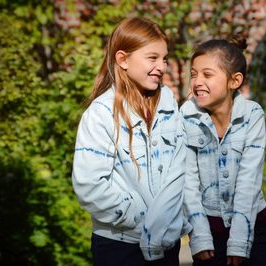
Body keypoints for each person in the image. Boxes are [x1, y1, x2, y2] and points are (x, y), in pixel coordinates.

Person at [72, 17, 191, 266]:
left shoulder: (170, 107)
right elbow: (89, 185)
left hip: (166, 246)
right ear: (123, 59)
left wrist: (169, 221)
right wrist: (144, 219)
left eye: (165, 58)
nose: (162, 66)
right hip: (119, 246)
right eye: (152, 57)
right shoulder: (101, 114)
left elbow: (181, 171)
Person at [180, 36, 266, 266]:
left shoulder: (253, 115)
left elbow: (249, 181)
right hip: (208, 230)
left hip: (252, 226)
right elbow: (188, 181)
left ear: (234, 81)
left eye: (207, 74)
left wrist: (240, 241)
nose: (197, 81)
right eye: (194, 74)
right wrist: (199, 237)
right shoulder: (186, 115)